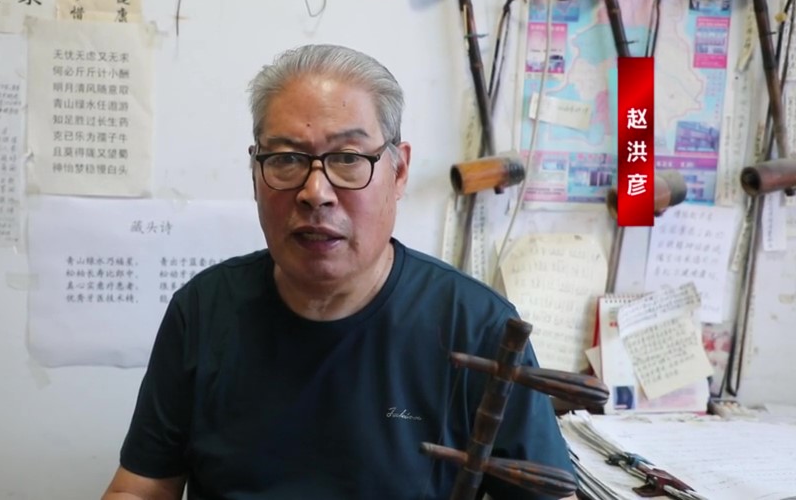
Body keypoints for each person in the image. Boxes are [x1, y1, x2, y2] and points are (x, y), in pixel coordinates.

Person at [103, 44, 575, 500]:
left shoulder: (477, 327)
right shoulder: (203, 311)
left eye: (348, 159)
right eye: (286, 159)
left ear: (399, 172)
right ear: (255, 172)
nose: (315, 193)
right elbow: (140, 487)